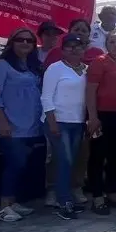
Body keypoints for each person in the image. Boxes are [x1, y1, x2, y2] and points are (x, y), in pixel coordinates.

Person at [0, 28, 44, 222]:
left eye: (30, 40)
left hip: (30, 124)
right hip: (10, 124)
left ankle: (13, 201)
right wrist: (2, 122)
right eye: (20, 40)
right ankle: (3, 206)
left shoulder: (33, 65)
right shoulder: (0, 65)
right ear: (12, 42)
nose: (25, 43)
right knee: (15, 163)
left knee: (23, 164)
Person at [42, 34, 89, 220]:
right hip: (58, 121)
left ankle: (67, 197)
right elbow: (46, 97)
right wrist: (52, 122)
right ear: (63, 49)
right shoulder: (55, 68)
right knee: (64, 160)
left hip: (77, 122)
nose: (74, 49)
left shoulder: (87, 70)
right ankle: (63, 201)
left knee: (72, 161)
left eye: (78, 46)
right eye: (69, 46)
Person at [83, 30, 116, 216]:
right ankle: (97, 196)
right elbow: (90, 91)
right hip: (102, 115)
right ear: (106, 43)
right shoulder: (100, 61)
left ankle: (111, 192)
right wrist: (92, 116)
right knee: (97, 156)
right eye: (112, 41)